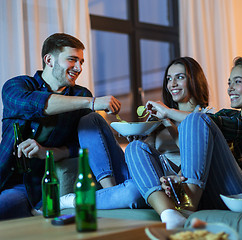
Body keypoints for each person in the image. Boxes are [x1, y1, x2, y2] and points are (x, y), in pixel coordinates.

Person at [126, 50, 242, 229]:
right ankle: (169, 214)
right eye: (229, 82)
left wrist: (168, 112)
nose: (230, 88)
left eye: (238, 82)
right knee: (135, 147)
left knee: (196, 119)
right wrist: (179, 178)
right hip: (216, 192)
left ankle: (187, 206)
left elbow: (241, 127)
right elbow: (200, 153)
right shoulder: (226, 114)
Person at [60, 57, 210, 210]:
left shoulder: (206, 117)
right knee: (90, 120)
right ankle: (109, 190)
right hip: (142, 173)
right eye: (169, 79)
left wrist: (167, 119)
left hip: (162, 183)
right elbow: (143, 154)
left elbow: (192, 152)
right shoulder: (158, 117)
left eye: (180, 77)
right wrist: (137, 139)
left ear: (194, 80)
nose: (172, 84)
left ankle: (78, 200)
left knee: (133, 190)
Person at [0, 33, 122, 220]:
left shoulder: (81, 94)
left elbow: (79, 146)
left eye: (81, 61)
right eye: (72, 60)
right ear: (49, 60)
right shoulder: (16, 85)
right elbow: (36, 104)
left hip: (43, 187)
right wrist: (92, 102)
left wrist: (46, 152)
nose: (79, 68)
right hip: (9, 179)